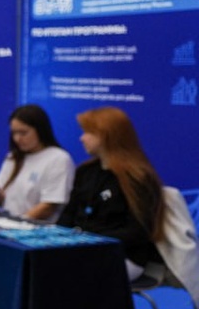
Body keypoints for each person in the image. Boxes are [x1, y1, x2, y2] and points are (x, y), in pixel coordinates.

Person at [57, 106, 165, 278]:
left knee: (64, 273)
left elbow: (138, 231)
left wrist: (88, 240)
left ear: (107, 136)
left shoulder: (137, 177)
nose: (82, 138)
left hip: (124, 255)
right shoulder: (85, 172)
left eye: (88, 133)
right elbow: (69, 213)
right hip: (82, 249)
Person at [0, 104, 74, 222]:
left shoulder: (58, 159)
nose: (17, 139)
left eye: (23, 133)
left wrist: (18, 223)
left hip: (34, 230)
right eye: (14, 133)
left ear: (40, 130)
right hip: (8, 225)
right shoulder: (13, 157)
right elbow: (5, 199)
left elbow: (49, 205)